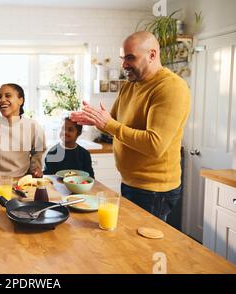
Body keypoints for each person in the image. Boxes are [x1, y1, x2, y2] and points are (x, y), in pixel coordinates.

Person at [70, 31, 190, 221]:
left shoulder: (171, 88)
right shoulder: (130, 85)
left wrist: (108, 123)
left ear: (152, 55)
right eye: (122, 58)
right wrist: (97, 120)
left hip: (154, 189)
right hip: (131, 182)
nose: (124, 64)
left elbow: (155, 144)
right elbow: (115, 123)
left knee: (145, 246)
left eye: (130, 57)